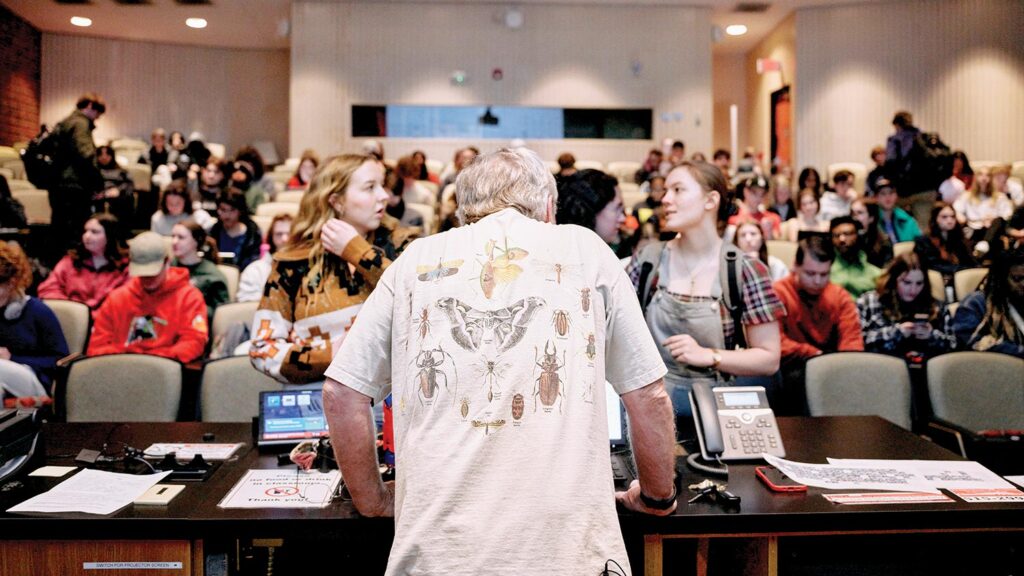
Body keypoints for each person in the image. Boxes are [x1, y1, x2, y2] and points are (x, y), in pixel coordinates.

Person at [322, 147, 677, 574]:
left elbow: (342, 392)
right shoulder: (584, 247)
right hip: (567, 555)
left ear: (462, 211)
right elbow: (648, 394)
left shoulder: (415, 259)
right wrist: (657, 497)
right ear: (548, 207)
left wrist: (374, 499)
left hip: (438, 556)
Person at [630, 161, 784, 434]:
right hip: (647, 412)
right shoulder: (648, 261)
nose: (666, 199)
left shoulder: (743, 270)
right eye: (666, 191)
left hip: (716, 416)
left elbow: (769, 358)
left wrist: (709, 355)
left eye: (678, 190)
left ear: (711, 200)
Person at [249, 154, 418, 384]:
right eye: (370, 188)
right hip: (317, 400)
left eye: (382, 185)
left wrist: (359, 253)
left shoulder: (403, 245)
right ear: (336, 201)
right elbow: (262, 349)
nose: (384, 196)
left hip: (392, 402)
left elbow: (421, 302)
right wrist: (331, 354)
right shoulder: (293, 262)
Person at [773, 236, 864, 415]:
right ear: (795, 266)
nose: (817, 281)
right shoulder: (778, 293)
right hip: (791, 370)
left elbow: (852, 341)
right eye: (810, 273)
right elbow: (776, 343)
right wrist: (813, 353)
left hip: (832, 369)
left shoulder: (839, 296)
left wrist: (842, 366)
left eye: (824, 275)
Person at [87, 231, 209, 363]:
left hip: (166, 372)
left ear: (166, 262)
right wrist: (128, 357)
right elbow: (96, 347)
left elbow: (194, 341)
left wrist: (154, 360)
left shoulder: (189, 297)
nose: (147, 279)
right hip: (120, 371)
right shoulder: (117, 298)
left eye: (152, 273)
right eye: (142, 273)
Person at [0, 243, 68, 399]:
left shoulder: (37, 311)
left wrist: (12, 358)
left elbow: (61, 361)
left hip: (35, 379)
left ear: (10, 284)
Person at [856, 252, 955, 359]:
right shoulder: (869, 301)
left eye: (919, 283)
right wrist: (896, 332)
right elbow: (858, 342)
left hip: (924, 370)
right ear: (894, 279)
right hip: (880, 368)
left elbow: (954, 346)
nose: (913, 290)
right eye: (907, 282)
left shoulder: (936, 307)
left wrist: (932, 336)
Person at [48, 93, 105, 264]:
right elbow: (86, 154)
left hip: (58, 184)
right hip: (75, 186)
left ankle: (56, 268)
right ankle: (74, 268)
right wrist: (98, 183)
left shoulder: (64, 123)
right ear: (89, 106)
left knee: (59, 229)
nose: (97, 118)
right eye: (97, 113)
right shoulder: (80, 124)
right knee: (76, 231)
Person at [38, 213, 130, 310]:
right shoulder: (70, 261)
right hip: (73, 319)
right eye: (85, 231)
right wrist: (75, 309)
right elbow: (47, 290)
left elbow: (126, 300)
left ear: (110, 237)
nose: (87, 236)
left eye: (94, 232)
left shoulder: (125, 267)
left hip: (108, 320)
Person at [952, 247, 1024, 358]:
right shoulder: (975, 304)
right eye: (1017, 278)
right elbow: (974, 344)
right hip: (993, 369)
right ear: (1001, 278)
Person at [171, 220, 229, 319]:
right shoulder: (167, 268)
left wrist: (190, 306)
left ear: (196, 241)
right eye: (173, 236)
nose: (174, 242)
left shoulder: (212, 276)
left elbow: (220, 315)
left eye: (181, 237)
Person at [237, 213, 293, 303]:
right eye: (279, 234)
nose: (284, 239)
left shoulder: (307, 269)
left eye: (289, 234)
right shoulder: (255, 270)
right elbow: (246, 307)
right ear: (271, 237)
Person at [914, 201, 976, 281]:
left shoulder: (957, 238)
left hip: (958, 278)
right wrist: (964, 269)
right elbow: (934, 266)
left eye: (952, 216)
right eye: (944, 217)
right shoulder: (924, 241)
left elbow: (969, 260)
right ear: (935, 219)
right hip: (934, 281)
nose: (950, 221)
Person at [829, 215, 881, 298]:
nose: (841, 239)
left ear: (858, 236)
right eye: (836, 235)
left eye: (847, 234)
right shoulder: (825, 270)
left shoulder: (876, 273)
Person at [210, 188, 262, 270]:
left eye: (232, 210)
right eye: (223, 210)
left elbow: (253, 262)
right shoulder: (214, 231)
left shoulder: (252, 233)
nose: (227, 215)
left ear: (240, 211)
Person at [94, 145, 135, 232]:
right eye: (101, 155)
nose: (104, 157)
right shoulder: (93, 171)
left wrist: (118, 190)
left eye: (107, 154)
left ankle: (122, 232)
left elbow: (129, 184)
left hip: (118, 196)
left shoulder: (121, 171)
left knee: (126, 198)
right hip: (99, 194)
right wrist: (103, 193)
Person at [727, 175, 781, 240]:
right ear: (745, 191)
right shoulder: (733, 217)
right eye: (754, 192)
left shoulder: (772, 218)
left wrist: (769, 234)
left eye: (762, 193)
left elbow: (777, 244)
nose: (758, 197)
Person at [874, 177, 922, 243]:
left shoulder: (908, 220)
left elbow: (920, 243)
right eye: (883, 193)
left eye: (891, 193)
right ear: (876, 198)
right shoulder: (872, 221)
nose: (888, 197)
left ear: (896, 196)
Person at [851, 198, 893, 268]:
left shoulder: (884, 243)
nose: (854, 218)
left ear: (871, 218)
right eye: (852, 213)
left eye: (859, 213)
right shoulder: (847, 240)